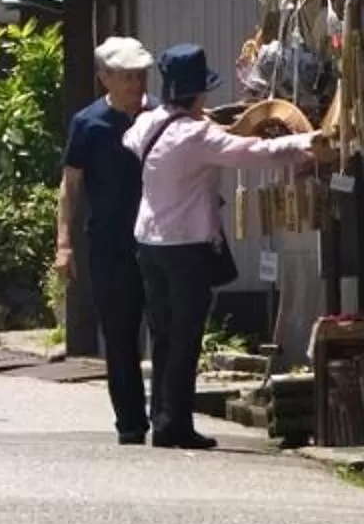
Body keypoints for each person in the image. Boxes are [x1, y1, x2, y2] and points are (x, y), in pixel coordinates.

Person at [127, 46, 317, 450]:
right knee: (186, 334)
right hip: (187, 246)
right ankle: (174, 424)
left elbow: (130, 139)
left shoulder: (147, 124)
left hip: (148, 240)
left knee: (162, 332)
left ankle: (161, 416)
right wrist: (308, 142)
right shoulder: (197, 135)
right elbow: (254, 152)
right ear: (199, 94)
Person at [56, 37, 156, 445]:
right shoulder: (88, 123)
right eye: (127, 76)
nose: (136, 83)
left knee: (167, 329)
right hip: (109, 242)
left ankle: (168, 415)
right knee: (119, 333)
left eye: (140, 75)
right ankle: (130, 422)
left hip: (160, 240)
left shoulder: (160, 116)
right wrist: (63, 242)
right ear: (104, 79)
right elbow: (71, 184)